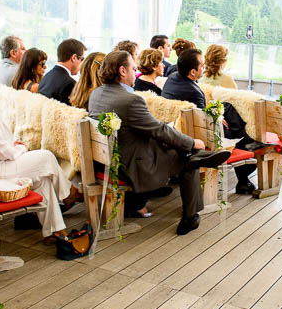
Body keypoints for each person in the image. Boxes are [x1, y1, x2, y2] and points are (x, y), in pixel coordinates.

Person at [88, 51, 231, 235]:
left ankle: (199, 155)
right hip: (133, 165)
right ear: (122, 71)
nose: (136, 71)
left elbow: (146, 129)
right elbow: (159, 130)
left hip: (109, 158)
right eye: (133, 68)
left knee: (177, 144)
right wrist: (191, 142)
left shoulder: (97, 94)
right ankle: (191, 215)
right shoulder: (130, 100)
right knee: (188, 159)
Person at [0, 57, 71, 238]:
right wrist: (20, 148)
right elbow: (2, 152)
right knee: (46, 157)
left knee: (43, 180)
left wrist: (12, 146)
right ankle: (68, 194)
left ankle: (56, 232)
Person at [162, 48, 262, 194]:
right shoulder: (194, 92)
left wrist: (219, 115)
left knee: (226, 107)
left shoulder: (173, 78)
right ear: (193, 72)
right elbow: (204, 122)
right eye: (202, 65)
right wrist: (217, 119)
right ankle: (244, 164)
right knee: (245, 144)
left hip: (180, 128)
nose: (205, 67)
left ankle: (243, 135)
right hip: (200, 135)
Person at [39, 38, 86, 105]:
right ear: (74, 58)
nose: (82, 63)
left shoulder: (46, 77)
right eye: (82, 59)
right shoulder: (69, 84)